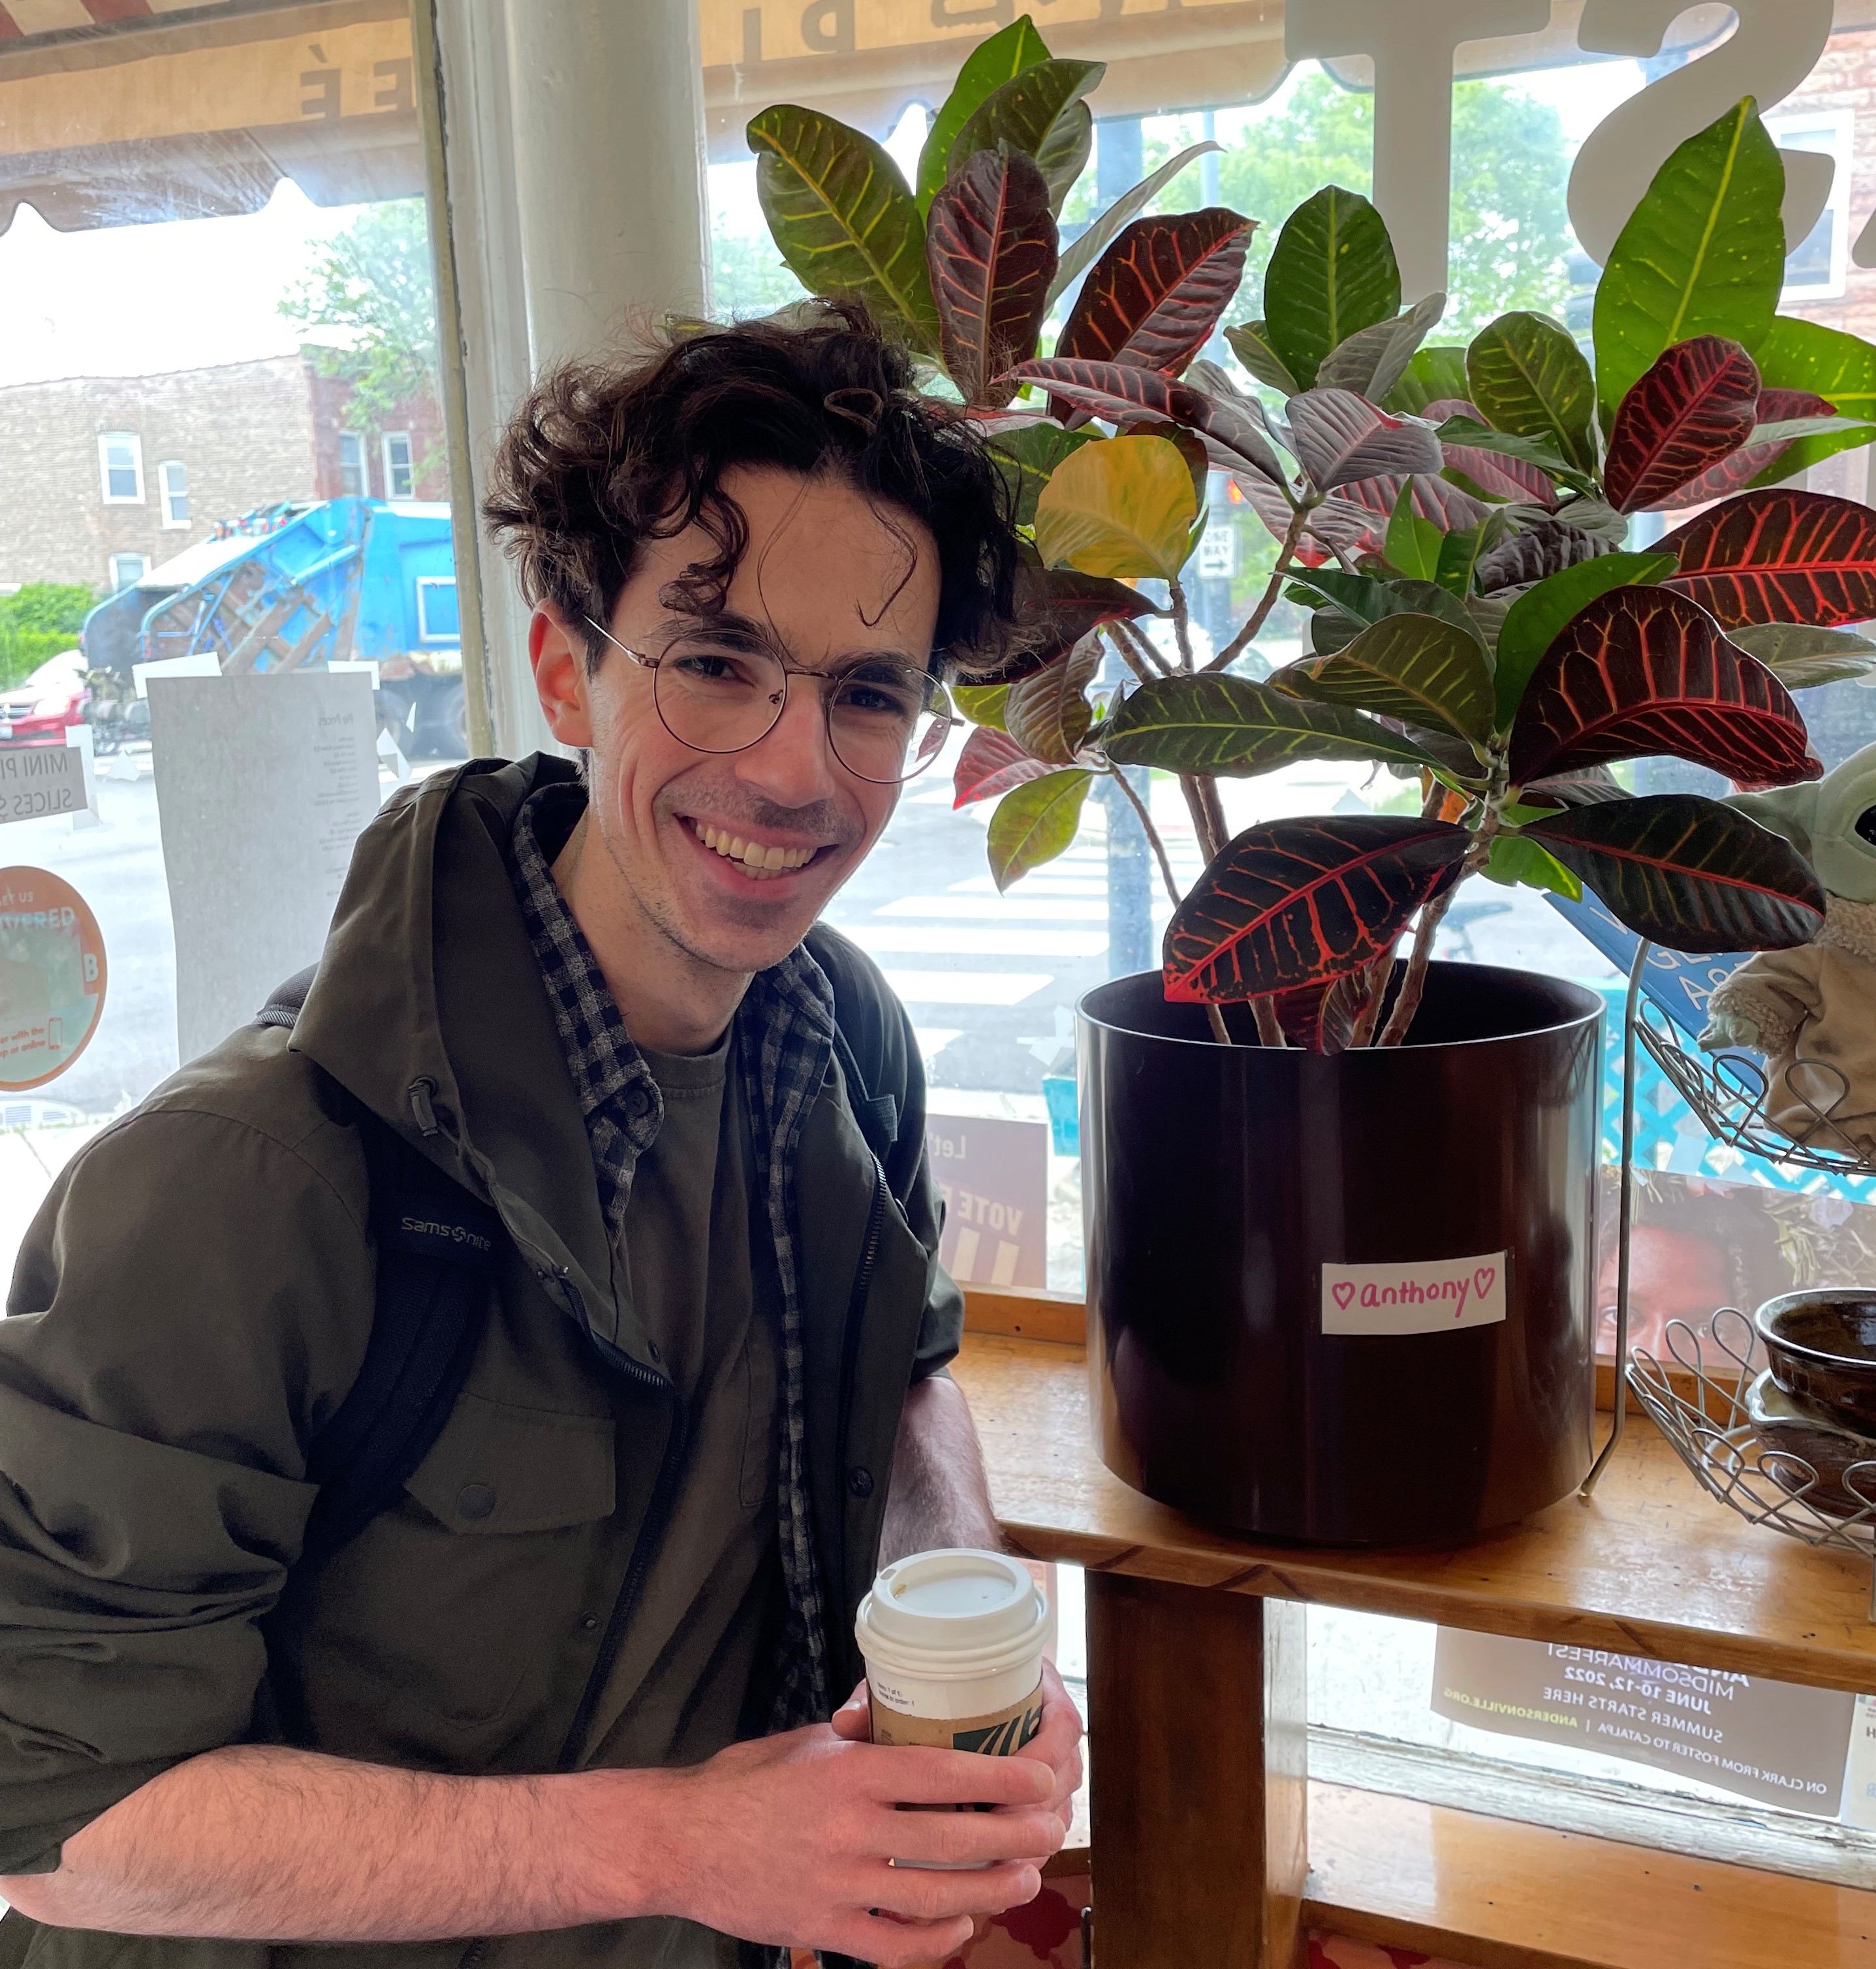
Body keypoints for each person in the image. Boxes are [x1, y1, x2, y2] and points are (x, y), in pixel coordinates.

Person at [0, 305, 1082, 1969]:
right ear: (567, 665)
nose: (794, 768)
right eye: (716, 661)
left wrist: (973, 1634)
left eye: (866, 693)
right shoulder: (240, 1186)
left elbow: (909, 1366)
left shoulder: (838, 1038)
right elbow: (59, 1820)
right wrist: (679, 1836)